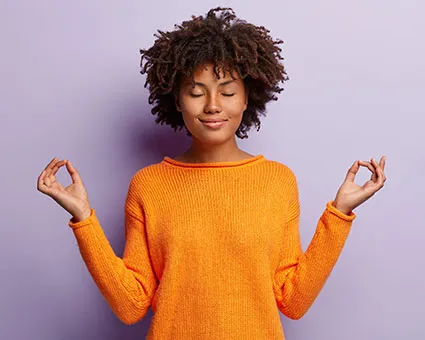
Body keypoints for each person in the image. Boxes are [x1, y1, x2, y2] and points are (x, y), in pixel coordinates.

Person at [37, 7, 387, 340]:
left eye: (228, 91)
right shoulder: (148, 185)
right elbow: (131, 306)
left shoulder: (277, 181)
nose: (213, 105)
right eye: (195, 92)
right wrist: (84, 219)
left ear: (248, 97)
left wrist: (339, 214)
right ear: (177, 100)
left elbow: (293, 301)